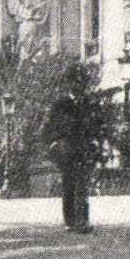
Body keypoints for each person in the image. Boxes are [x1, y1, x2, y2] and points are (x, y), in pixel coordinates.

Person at [42, 93, 93, 231]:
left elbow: (92, 127)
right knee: (69, 185)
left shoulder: (86, 102)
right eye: (75, 82)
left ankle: (83, 220)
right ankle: (70, 221)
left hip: (82, 150)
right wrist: (56, 141)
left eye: (81, 83)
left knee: (82, 185)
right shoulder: (61, 103)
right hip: (67, 152)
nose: (79, 87)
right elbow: (49, 127)